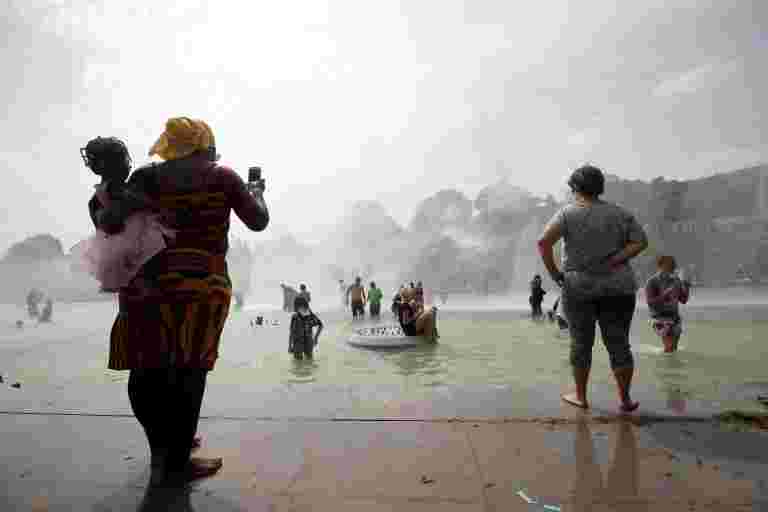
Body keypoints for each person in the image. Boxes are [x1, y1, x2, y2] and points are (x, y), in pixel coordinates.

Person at [91, 117, 269, 486]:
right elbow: (258, 221)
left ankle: (162, 450)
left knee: (147, 370)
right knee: (189, 371)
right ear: (205, 144)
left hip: (147, 286)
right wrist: (257, 193)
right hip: (201, 285)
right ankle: (177, 461)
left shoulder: (145, 177)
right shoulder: (223, 177)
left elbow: (108, 223)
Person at [538, 165, 648, 413]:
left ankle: (580, 396)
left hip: (578, 287)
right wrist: (617, 259)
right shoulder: (620, 213)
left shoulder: (567, 214)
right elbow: (641, 242)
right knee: (619, 343)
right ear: (600, 187)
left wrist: (556, 274)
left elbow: (543, 242)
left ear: (575, 188)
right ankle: (625, 399)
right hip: (619, 286)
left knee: (580, 343)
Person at [72, 137, 175, 293]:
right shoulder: (143, 180)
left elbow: (105, 233)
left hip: (129, 268)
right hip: (154, 256)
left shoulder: (96, 201)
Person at [645, 255, 690, 353]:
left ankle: (671, 366)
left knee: (673, 348)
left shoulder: (676, 280)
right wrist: (665, 295)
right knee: (669, 347)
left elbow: (683, 300)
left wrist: (686, 284)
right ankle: (670, 367)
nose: (673, 267)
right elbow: (650, 303)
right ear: (660, 265)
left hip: (675, 318)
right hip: (660, 318)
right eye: (670, 265)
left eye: (674, 265)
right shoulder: (652, 282)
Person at [288, 296, 323, 360]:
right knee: (309, 361)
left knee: (298, 364)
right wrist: (315, 338)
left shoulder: (296, 316)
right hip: (306, 342)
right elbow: (320, 325)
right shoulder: (310, 315)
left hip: (299, 343)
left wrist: (290, 345)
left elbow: (292, 332)